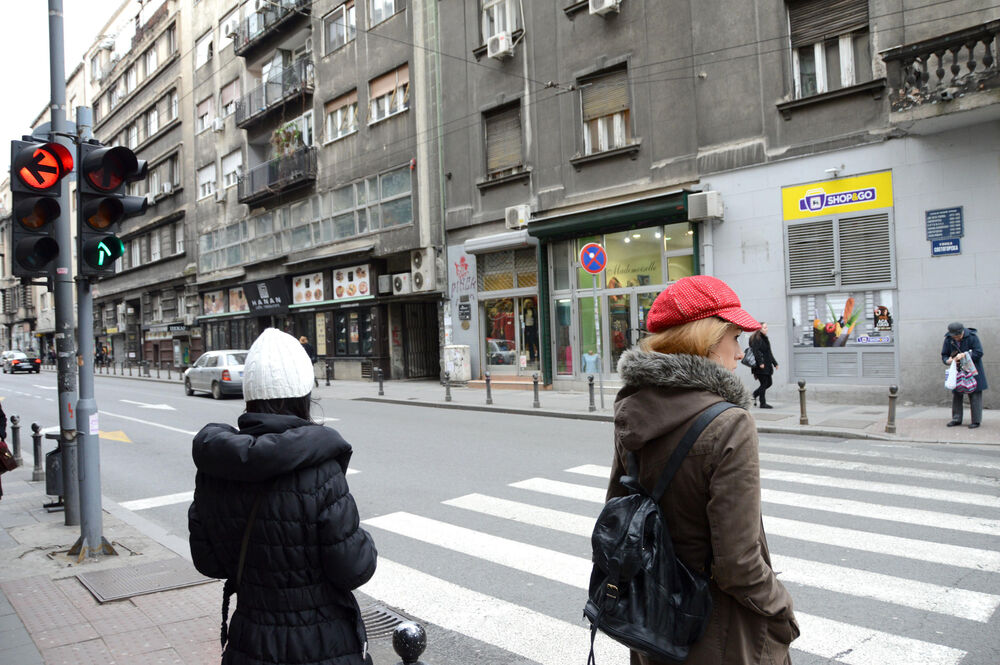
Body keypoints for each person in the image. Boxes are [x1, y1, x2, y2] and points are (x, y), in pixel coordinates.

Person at [608, 275, 798, 665]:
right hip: (716, 629)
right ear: (708, 341)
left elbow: (617, 511)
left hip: (651, 621)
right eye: (733, 337)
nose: (739, 350)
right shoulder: (729, 422)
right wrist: (781, 607)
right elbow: (739, 564)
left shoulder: (634, 408)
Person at [189, 328, 377, 665]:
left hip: (249, 643)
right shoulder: (321, 472)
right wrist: (364, 541)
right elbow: (354, 568)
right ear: (304, 395)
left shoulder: (216, 469)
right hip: (321, 644)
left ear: (250, 397)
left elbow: (209, 562)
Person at [942, 321, 988, 429]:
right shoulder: (949, 339)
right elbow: (944, 354)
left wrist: (965, 355)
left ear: (962, 332)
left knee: (975, 395)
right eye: (954, 337)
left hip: (972, 371)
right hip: (958, 371)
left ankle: (976, 421)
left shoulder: (972, 337)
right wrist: (947, 360)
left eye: (958, 336)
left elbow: (979, 352)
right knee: (957, 395)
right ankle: (956, 418)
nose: (956, 338)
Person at [748, 321, 778, 408]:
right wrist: (760, 363)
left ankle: (755, 394)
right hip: (760, 366)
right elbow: (755, 352)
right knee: (764, 383)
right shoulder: (756, 339)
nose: (766, 329)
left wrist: (775, 363)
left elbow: (769, 353)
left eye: (766, 327)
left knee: (769, 383)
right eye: (764, 327)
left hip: (767, 366)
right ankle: (762, 403)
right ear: (759, 329)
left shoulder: (765, 339)